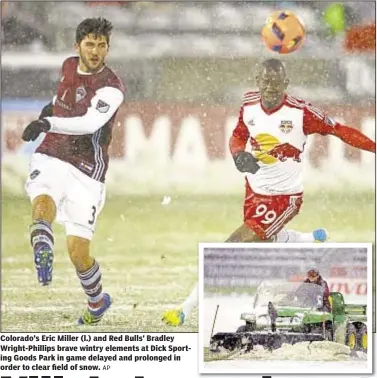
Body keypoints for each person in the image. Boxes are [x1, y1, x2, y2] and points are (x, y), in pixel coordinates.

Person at [162, 58, 375, 326]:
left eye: (277, 82)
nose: (271, 87)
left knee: (230, 249)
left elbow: (340, 130)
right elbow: (238, 135)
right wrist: (238, 155)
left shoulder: (301, 113)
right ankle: (307, 239)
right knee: (263, 242)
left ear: (286, 84)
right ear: (257, 81)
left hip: (284, 198)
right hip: (254, 189)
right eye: (266, 81)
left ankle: (184, 309)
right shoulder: (249, 104)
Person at [22, 17, 125, 325]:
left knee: (79, 252)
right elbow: (61, 99)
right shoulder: (68, 66)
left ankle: (97, 302)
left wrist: (46, 122)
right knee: (43, 199)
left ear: (108, 48)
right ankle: (42, 242)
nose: (95, 51)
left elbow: (88, 124)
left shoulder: (112, 87)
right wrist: (48, 110)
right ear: (77, 45)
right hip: (51, 153)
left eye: (101, 45)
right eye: (90, 44)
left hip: (88, 170)